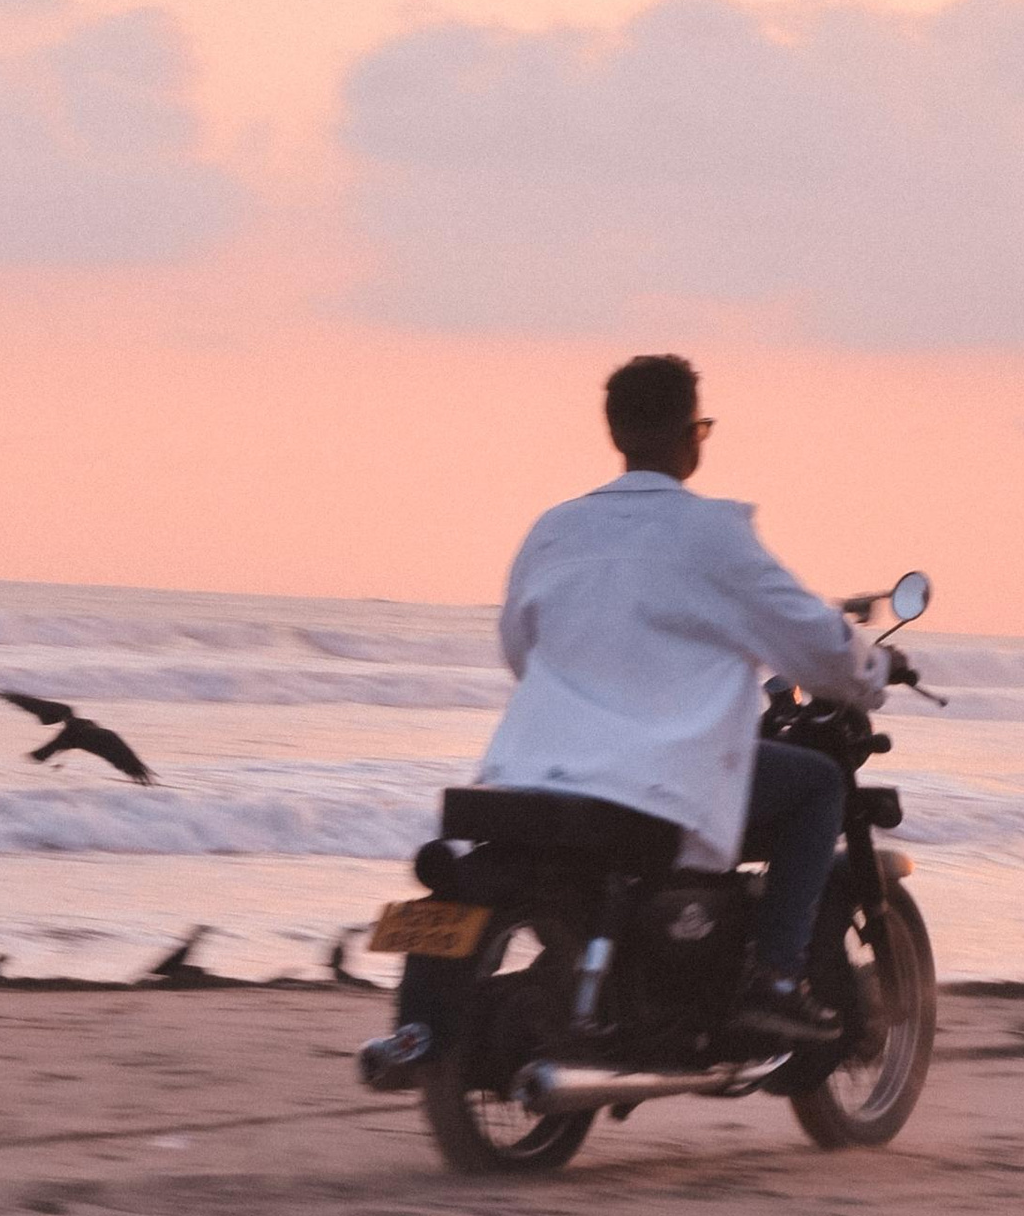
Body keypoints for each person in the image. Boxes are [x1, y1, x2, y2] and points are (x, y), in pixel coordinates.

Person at [370, 353, 884, 1079]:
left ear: (616, 431)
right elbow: (811, 639)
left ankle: (430, 1030)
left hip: (535, 770)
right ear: (690, 436)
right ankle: (775, 977)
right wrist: (871, 670)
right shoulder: (714, 535)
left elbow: (521, 646)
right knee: (817, 785)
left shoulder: (556, 528)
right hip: (656, 780)